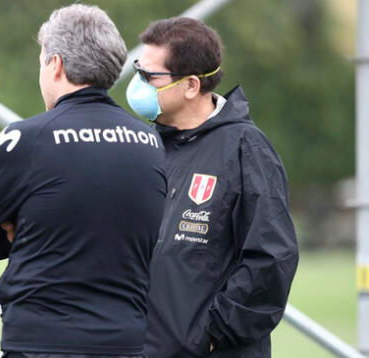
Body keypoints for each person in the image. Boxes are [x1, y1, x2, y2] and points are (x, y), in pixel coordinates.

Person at [0, 4, 166, 357]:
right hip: (126, 341)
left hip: (41, 341)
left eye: (41, 61)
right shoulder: (151, 142)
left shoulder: (26, 138)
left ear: (55, 64)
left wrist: (26, 230)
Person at [125, 17, 299, 358]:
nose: (137, 84)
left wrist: (211, 335)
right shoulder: (143, 146)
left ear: (191, 85)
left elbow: (272, 259)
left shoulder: (246, 149)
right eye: (137, 70)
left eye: (149, 76)